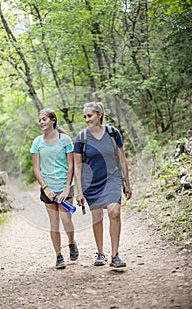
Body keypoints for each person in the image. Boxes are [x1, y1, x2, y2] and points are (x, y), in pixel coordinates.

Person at [73, 102, 132, 268]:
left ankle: (115, 255)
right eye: (84, 117)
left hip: (112, 179)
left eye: (89, 116)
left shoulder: (113, 133)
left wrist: (127, 183)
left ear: (99, 115)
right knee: (97, 218)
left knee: (115, 212)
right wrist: (79, 191)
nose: (86, 119)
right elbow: (77, 166)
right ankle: (100, 253)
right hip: (91, 182)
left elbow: (122, 159)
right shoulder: (81, 137)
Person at [30, 108, 79, 269]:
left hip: (65, 187)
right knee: (54, 223)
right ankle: (59, 255)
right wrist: (45, 188)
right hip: (48, 189)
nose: (41, 122)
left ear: (53, 120)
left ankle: (72, 242)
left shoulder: (65, 140)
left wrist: (66, 189)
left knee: (66, 220)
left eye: (44, 119)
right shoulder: (37, 142)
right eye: (40, 120)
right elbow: (36, 169)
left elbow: (71, 165)